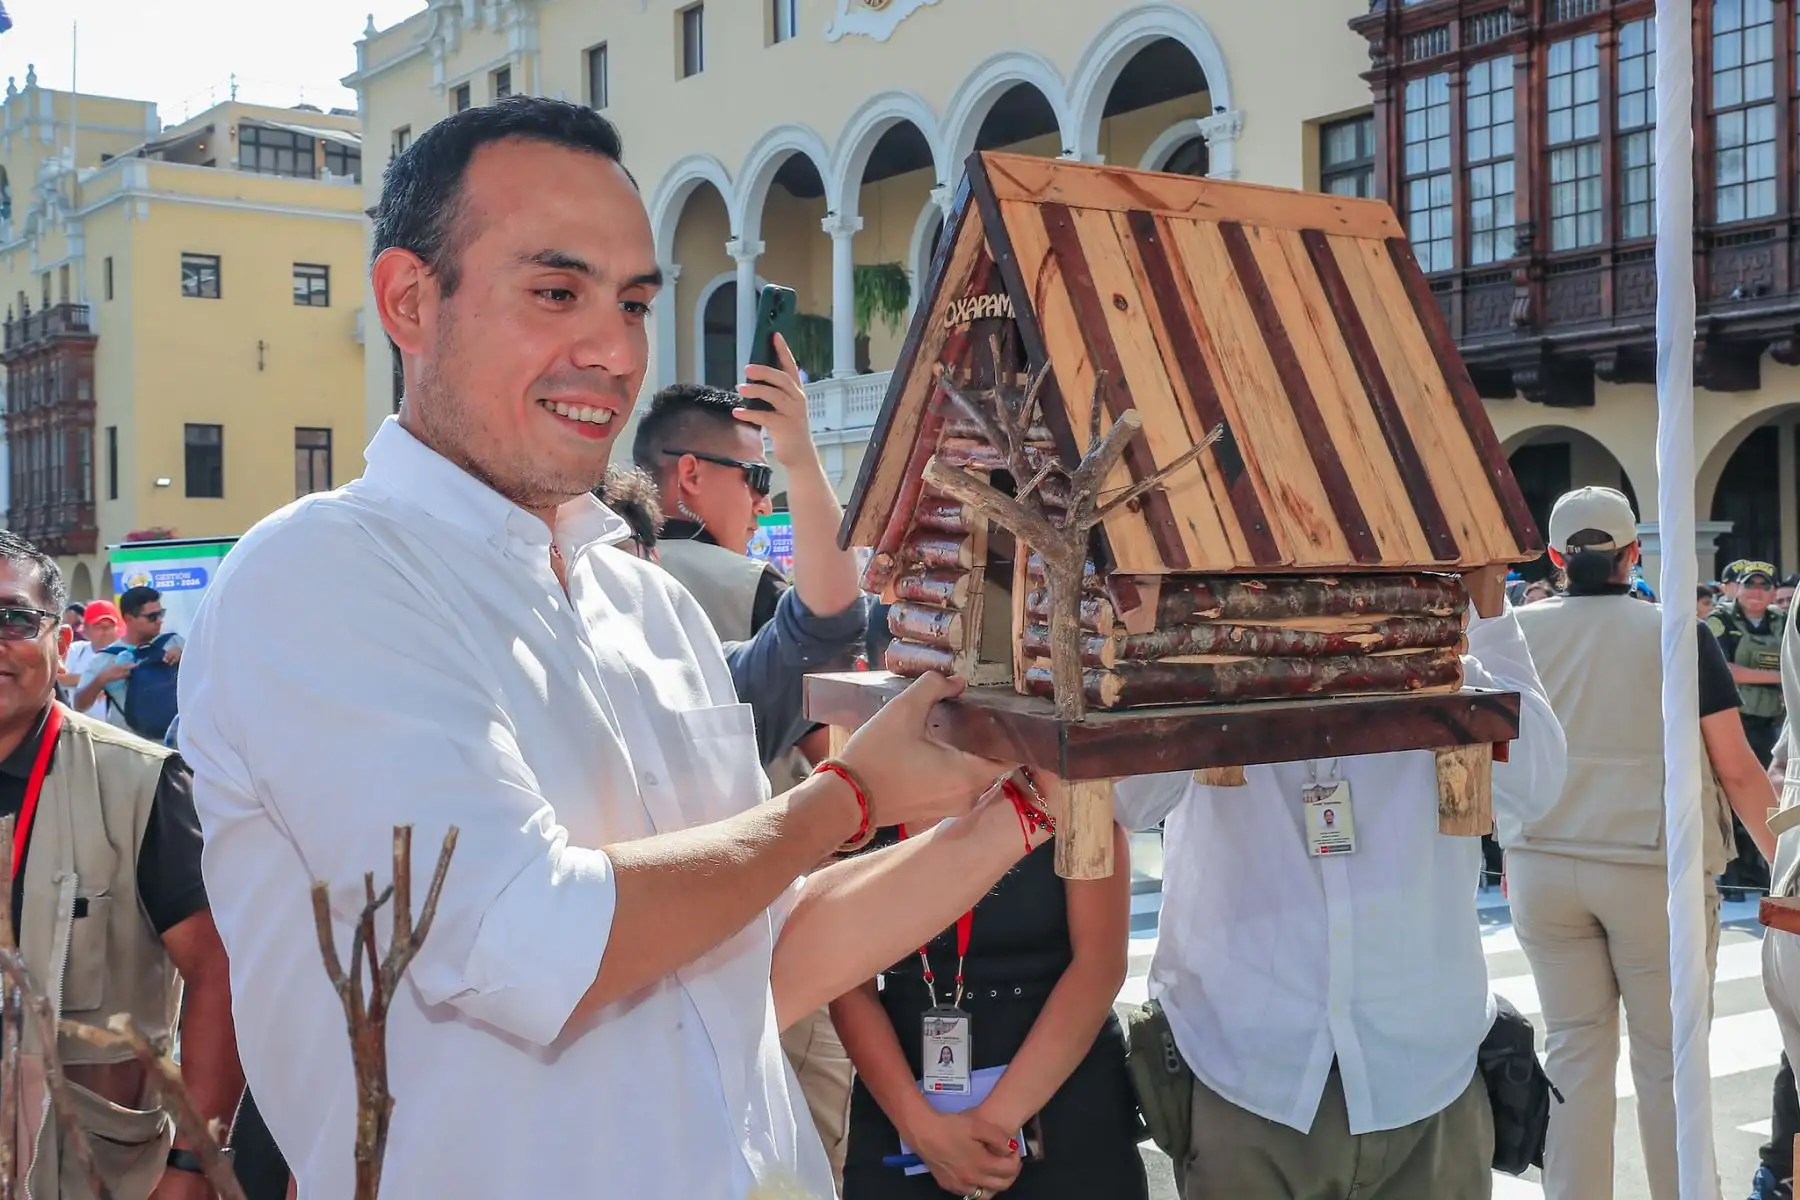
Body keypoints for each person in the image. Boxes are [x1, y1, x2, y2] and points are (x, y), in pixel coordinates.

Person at [177, 96, 1057, 1199]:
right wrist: (846, 800)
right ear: (409, 299)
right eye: (556, 292)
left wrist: (1026, 796)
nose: (611, 349)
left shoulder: (649, 607)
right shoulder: (316, 578)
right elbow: (533, 940)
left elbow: (757, 958)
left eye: (635, 303)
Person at [1110, 595, 1567, 1199]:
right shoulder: (1189, 592)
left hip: (1425, 1063)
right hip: (1247, 1064)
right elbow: (1129, 799)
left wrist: (1432, 652)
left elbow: (1537, 784)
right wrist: (1203, 655)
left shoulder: (1463, 588)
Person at [1510, 486, 1778, 1200]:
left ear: (1556, 556)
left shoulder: (1517, 631)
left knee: (1572, 1055)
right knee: (1669, 1065)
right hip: (1651, 863)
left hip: (1542, 858)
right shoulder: (1673, 633)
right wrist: (1791, 865)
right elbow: (1739, 769)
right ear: (1634, 553)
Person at [0, 532, 240, 1200]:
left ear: (61, 641)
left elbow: (219, 975)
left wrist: (195, 1165)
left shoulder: (139, 784)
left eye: (13, 618)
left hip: (90, 1172)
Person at [835, 821, 1145, 1200]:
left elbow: (1099, 966)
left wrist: (992, 1129)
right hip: (902, 1107)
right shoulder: (862, 812)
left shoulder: (1072, 797)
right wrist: (922, 1130)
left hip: (1067, 1099)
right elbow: (848, 987)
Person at [632, 381, 785, 638]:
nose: (766, 506)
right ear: (691, 475)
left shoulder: (584, 571)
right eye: (758, 477)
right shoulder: (753, 588)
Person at [1711, 560, 1784, 899]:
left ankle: (1758, 867)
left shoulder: (1780, 621)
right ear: (1737, 588)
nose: (1756, 593)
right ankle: (1732, 872)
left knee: (1769, 799)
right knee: (1731, 797)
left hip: (1770, 722)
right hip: (1732, 722)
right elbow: (1727, 671)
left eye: (1764, 586)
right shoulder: (1720, 621)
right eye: (1750, 585)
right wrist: (1781, 678)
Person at [73, 587, 183, 741]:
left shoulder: (175, 642)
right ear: (129, 619)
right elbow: (79, 705)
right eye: (152, 617)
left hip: (177, 744)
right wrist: (102, 679)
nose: (159, 620)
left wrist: (185, 657)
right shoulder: (105, 659)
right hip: (132, 749)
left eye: (160, 614)